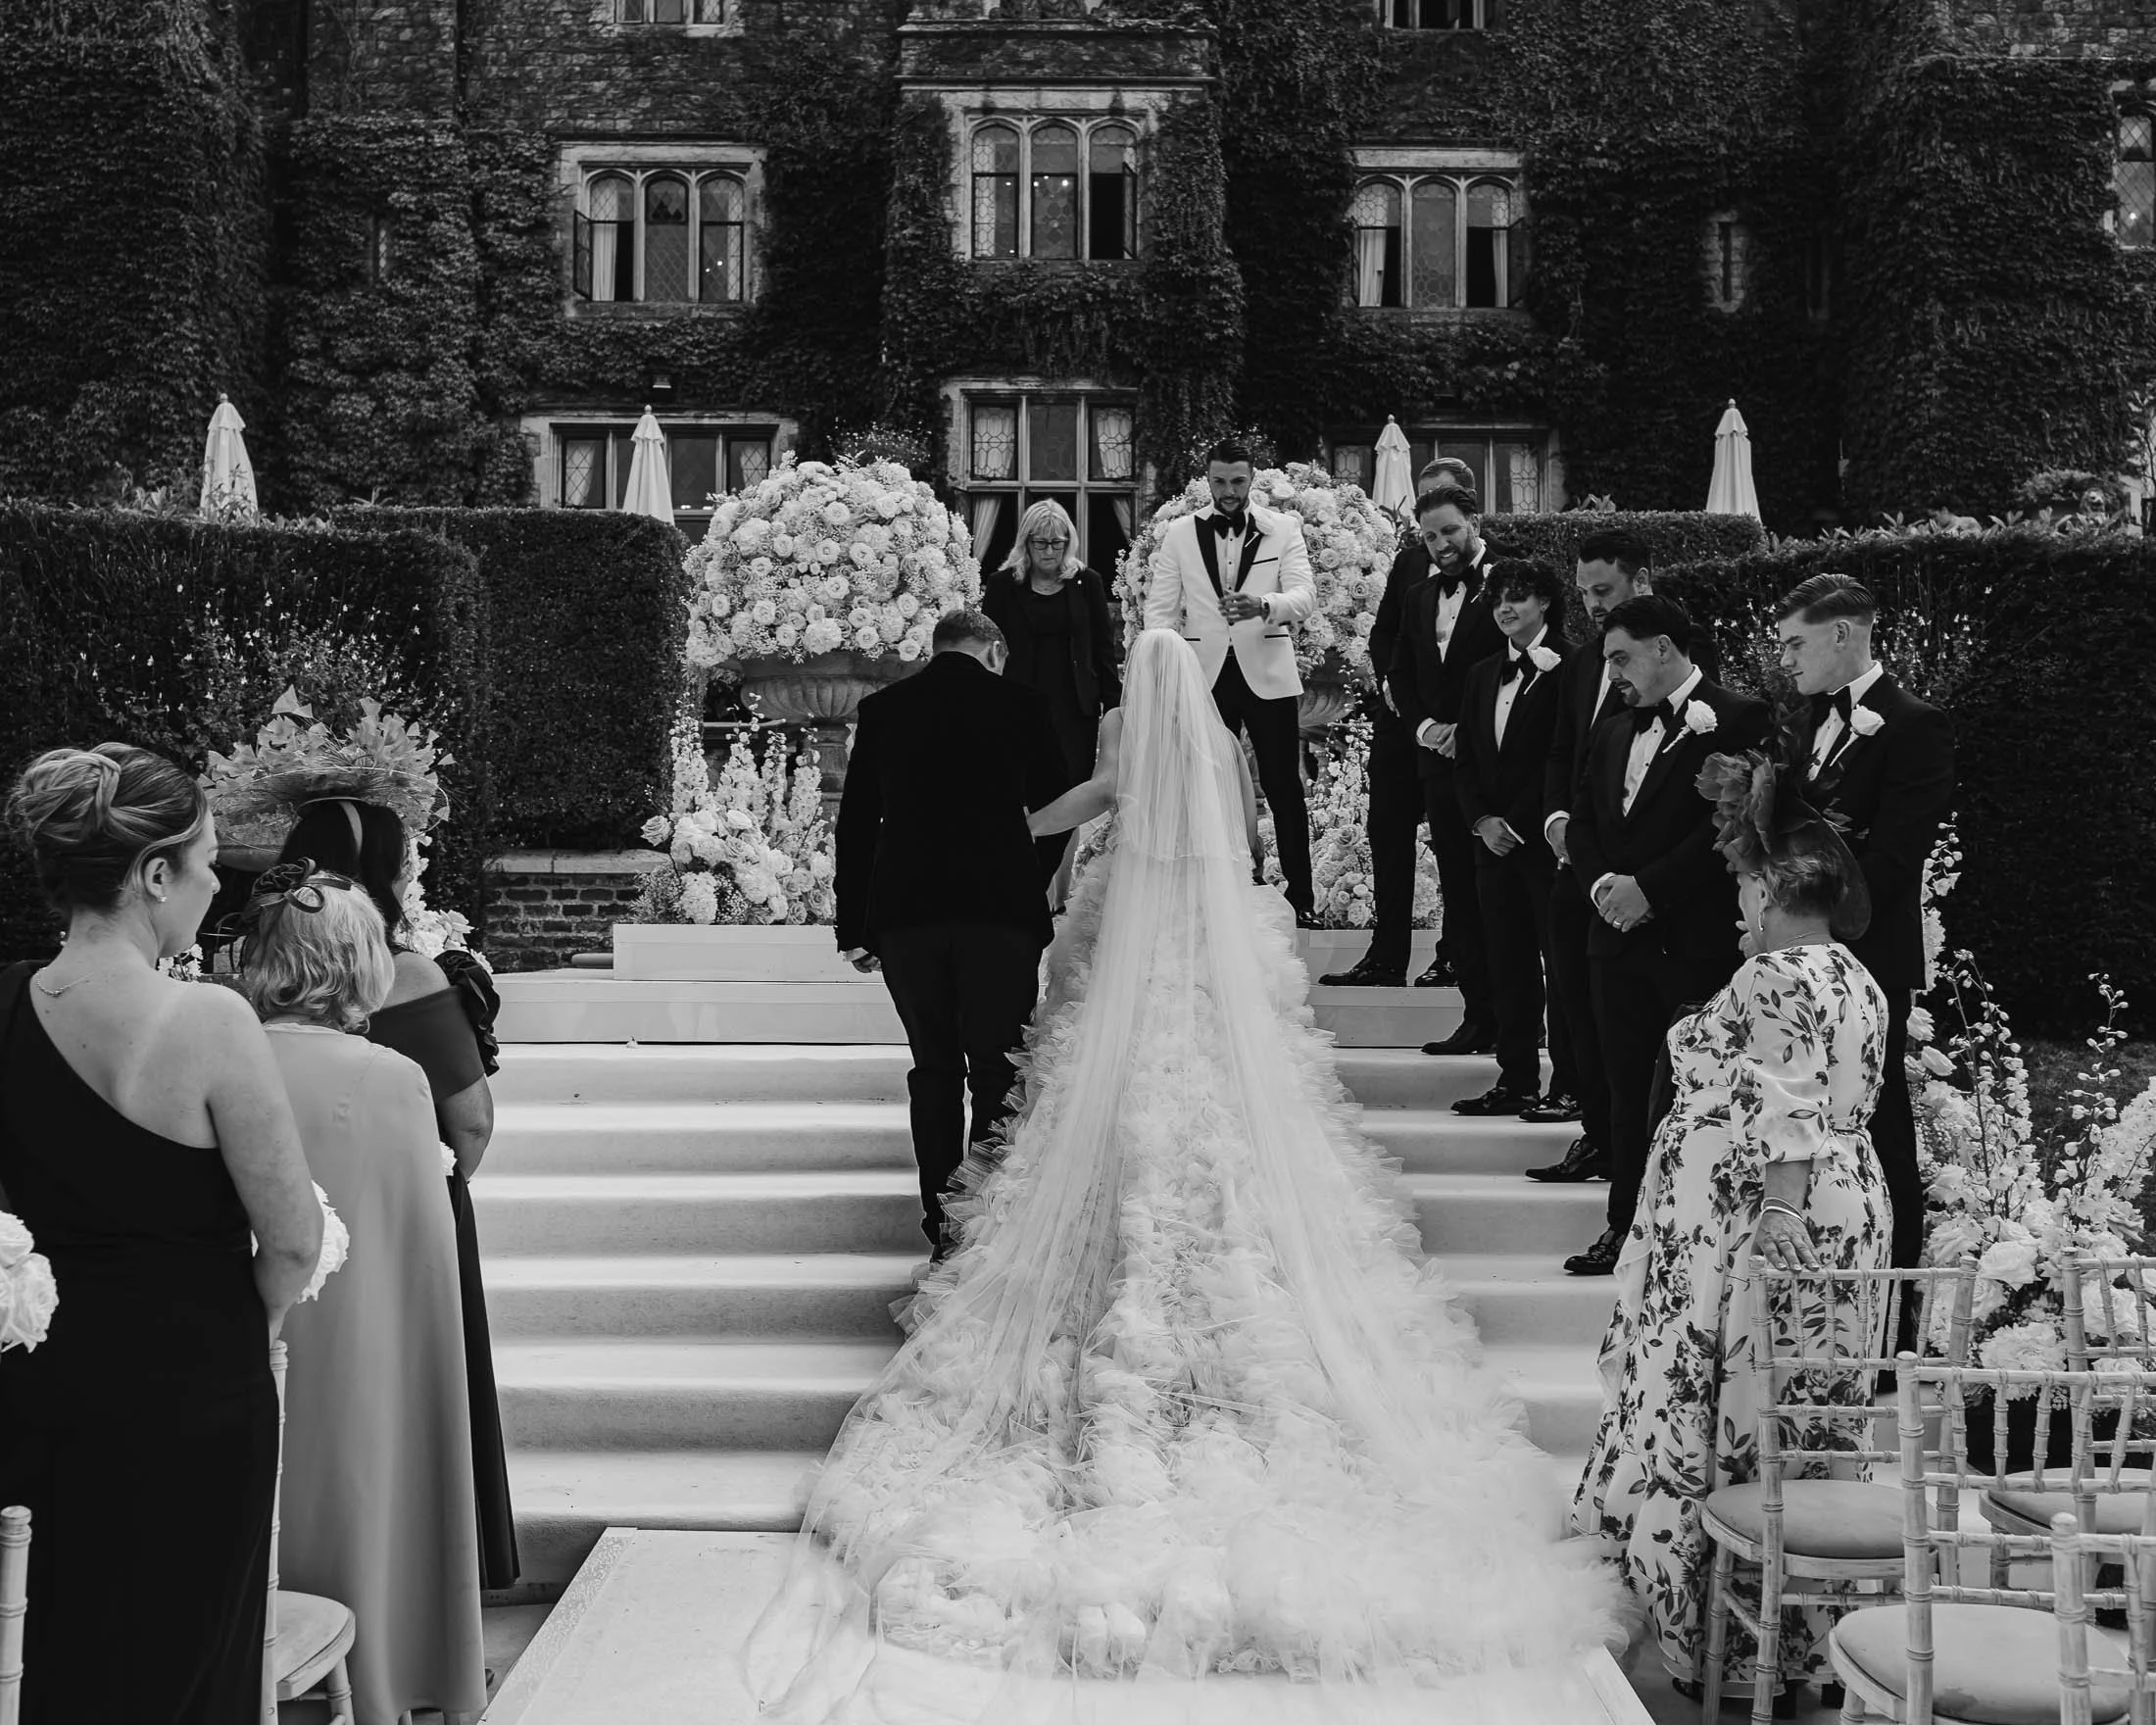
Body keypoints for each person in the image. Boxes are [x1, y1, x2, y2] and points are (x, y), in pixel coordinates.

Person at [746, 630, 1626, 1725]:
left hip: (1126, 929)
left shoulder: (1123, 733)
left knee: (1087, 1096)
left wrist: (1019, 826)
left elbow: (1090, 803)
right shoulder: (1224, 748)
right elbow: (1247, 835)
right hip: (1206, 940)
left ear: (1135, 681)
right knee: (1217, 1114)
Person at [0, 745, 322, 1725]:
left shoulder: (3, 1003)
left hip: (37, 1388)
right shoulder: (210, 1020)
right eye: (208, 861)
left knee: (54, 1653)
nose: (219, 883)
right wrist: (243, 1317)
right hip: (193, 1396)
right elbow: (294, 1240)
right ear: (153, 874)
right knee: (188, 1663)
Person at [1572, 755, 1889, 1708]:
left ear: (1775, 885)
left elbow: (1786, 1105)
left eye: (1744, 888)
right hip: (1848, 1201)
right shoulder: (1858, 976)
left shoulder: (1773, 974)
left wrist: (1778, 1210)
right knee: (1807, 1412)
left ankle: (1731, 1640)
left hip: (1765, 1216)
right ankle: (1802, 1638)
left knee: (1738, 1411)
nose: (1737, 907)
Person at [241, 862, 488, 1725]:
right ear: (359, 962)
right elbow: (419, 1255)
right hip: (367, 1339)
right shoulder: (390, 1077)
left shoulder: (221, 1058)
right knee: (371, 1477)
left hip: (252, 1333)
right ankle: (384, 1671)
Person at [276, 797, 519, 1587]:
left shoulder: (248, 969)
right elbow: (471, 1121)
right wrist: (431, 1189)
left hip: (281, 1205)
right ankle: (429, 1570)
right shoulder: (405, 972)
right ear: (383, 868)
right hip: (404, 1204)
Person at [834, 610, 1071, 1257]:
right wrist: (1030, 877)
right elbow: (1057, 809)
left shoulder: (884, 709)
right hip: (1000, 913)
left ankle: (940, 1221)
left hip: (908, 914)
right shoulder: (1023, 704)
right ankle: (980, 1220)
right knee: (996, 1068)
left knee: (934, 1068)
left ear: (935, 649)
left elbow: (857, 822)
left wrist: (855, 925)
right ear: (992, 650)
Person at [1561, 595, 1769, 1276]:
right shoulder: (1613, 728)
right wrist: (1603, 886)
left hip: (1694, 940)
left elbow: (1730, 828)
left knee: (1695, 1095)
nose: (1613, 673)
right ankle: (1624, 1230)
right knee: (1624, 1091)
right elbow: (1584, 820)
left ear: (1663, 648)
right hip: (1614, 939)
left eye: (1621, 657)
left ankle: (1691, 1239)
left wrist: (1650, 889)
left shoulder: (1739, 717)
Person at [1775, 573, 1955, 1270]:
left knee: (1877, 1123)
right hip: (1791, 957)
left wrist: (1804, 917)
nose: (1785, 659)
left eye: (1796, 643)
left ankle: (1895, 1296)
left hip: (1866, 956)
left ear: (1842, 634)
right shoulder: (1799, 724)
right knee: (1795, 1115)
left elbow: (1895, 856)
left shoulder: (1914, 724)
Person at [1143, 437, 1321, 926]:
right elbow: (1160, 610)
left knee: (1284, 786)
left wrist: (1264, 605)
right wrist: (1161, 669)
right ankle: (1214, 897)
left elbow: (1305, 596)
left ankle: (1302, 899)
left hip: (1268, 673)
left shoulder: (1283, 527)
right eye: (1219, 481)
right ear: (1208, 478)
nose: (1228, 491)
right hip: (1202, 676)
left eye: (1237, 481)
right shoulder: (1180, 533)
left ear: (1252, 479)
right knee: (1205, 786)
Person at [1319, 456, 1479, 987]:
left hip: (1458, 736)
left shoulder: (1501, 571)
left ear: (1468, 506)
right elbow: (1384, 632)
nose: (1432, 523)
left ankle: (1454, 956)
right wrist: (1396, 685)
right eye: (1423, 502)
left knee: (1455, 846)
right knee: (1386, 833)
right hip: (1400, 725)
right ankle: (1385, 959)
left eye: (1442, 498)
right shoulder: (1410, 562)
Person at [1527, 528, 1650, 1180]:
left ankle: (1627, 1148)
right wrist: (1555, 820)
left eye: (1603, 590)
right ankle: (1596, 1134)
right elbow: (1559, 750)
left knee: (1618, 1022)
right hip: (1570, 865)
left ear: (1640, 582)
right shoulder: (1579, 663)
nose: (1592, 604)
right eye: (1583, 593)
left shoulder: (1677, 652)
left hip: (1629, 874)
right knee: (1572, 1008)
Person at [1386, 486, 1508, 1051]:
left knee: (1499, 899)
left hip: (1496, 768)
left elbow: (1519, 665)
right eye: (1431, 536)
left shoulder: (1509, 583)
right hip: (1438, 764)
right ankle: (1478, 1018)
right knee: (1458, 895)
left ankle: (1518, 1020)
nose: (1441, 545)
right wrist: (1425, 729)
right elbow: (1401, 672)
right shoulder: (1417, 595)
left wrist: (1470, 730)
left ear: (1474, 522)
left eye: (1450, 531)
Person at [1451, 558, 1572, 1116]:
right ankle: (1516, 1079)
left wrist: (1518, 823)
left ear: (1544, 602)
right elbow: (1466, 761)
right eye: (1498, 598)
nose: (1505, 607)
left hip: (1547, 845)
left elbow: (1562, 758)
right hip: (1492, 847)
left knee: (1562, 968)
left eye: (1518, 597)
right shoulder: (1480, 674)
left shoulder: (1573, 665)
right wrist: (1481, 821)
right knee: (1507, 964)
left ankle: (1569, 1084)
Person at [980, 500, 1124, 891]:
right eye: (1041, 543)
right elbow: (987, 650)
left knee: (1069, 797)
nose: (1049, 551)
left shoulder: (1087, 582)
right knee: (1021, 793)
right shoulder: (1002, 585)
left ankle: (1039, 885)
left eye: (1057, 543)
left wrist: (1115, 709)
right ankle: (1020, 885)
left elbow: (1103, 649)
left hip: (1074, 711)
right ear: (1025, 543)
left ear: (1068, 542)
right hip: (1018, 711)